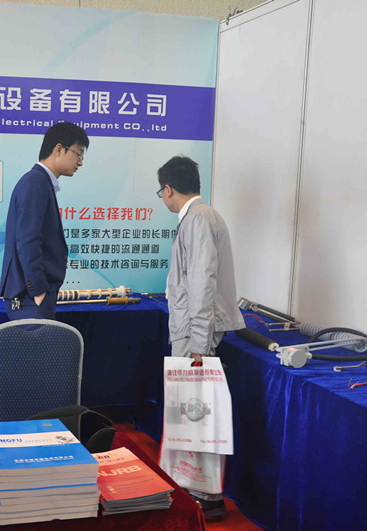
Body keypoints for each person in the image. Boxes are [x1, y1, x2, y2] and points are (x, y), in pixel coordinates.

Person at [158, 155, 244, 517]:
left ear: (168, 189)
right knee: (191, 413)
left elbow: (201, 282)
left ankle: (207, 497)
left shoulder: (198, 219)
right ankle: (196, 491)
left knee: (198, 414)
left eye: (160, 192)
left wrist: (198, 343)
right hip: (192, 329)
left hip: (195, 334)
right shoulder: (199, 217)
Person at [0, 122, 89, 321]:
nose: (80, 162)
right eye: (78, 154)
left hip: (32, 297)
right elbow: (27, 240)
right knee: (38, 342)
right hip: (30, 298)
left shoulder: (40, 182)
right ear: (59, 149)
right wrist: (38, 291)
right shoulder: (36, 183)